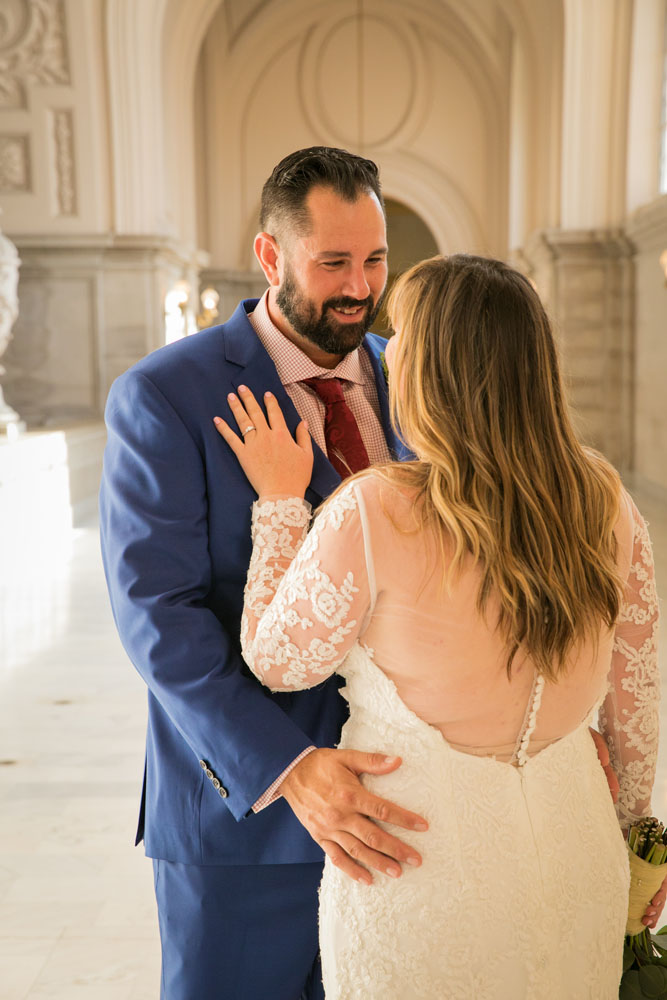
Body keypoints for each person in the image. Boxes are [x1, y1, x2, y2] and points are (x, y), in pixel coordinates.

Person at [100, 146, 645, 999]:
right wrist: (286, 768)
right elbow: (154, 614)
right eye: (334, 263)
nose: (361, 286)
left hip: (426, 835)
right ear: (271, 256)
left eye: (376, 259)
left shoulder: (426, 369)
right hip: (250, 826)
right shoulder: (168, 394)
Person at [213, 253, 661, 998]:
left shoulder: (377, 508)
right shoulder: (604, 498)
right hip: (578, 852)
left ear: (431, 371)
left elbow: (276, 662)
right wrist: (636, 837)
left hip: (419, 871)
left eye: (406, 342)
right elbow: (635, 713)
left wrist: (280, 505)